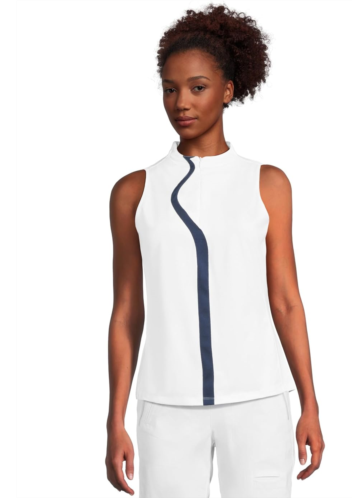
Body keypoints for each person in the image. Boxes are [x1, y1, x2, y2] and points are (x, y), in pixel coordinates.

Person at [105, 4, 325, 497]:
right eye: (170, 89)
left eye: (197, 87)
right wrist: (115, 419)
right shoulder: (134, 192)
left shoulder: (267, 183)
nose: (181, 102)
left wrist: (309, 403)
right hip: (166, 406)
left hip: (258, 402)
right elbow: (126, 311)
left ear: (227, 91)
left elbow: (286, 301)